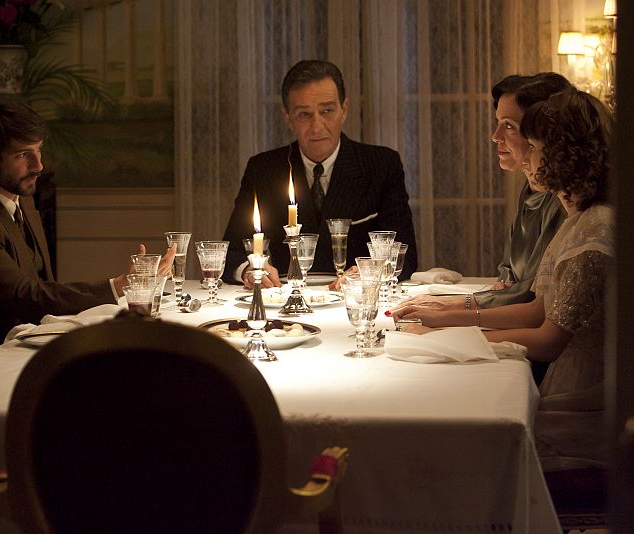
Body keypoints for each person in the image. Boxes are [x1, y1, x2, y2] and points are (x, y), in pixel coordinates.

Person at [393, 88, 614, 474]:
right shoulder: (578, 220)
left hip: (582, 405)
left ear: (564, 155)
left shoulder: (594, 231)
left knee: (462, 441)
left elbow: (548, 341)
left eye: (533, 147)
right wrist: (447, 317)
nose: (525, 157)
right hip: (567, 390)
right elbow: (537, 309)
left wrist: (460, 339)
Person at [0, 100, 175, 367]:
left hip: (32, 345)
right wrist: (119, 286)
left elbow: (40, 288)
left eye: (38, 150)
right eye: (22, 155)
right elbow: (24, 297)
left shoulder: (20, 196)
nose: (38, 165)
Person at [221, 60, 417, 288]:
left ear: (344, 109)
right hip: (286, 300)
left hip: (356, 299)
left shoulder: (381, 165)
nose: (317, 126)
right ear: (288, 117)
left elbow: (406, 256)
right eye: (304, 114)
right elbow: (232, 253)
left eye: (327, 111)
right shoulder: (264, 170)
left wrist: (369, 272)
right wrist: (250, 270)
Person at [395, 72, 571, 310]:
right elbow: (508, 270)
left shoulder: (561, 199)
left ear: (540, 132)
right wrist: (502, 288)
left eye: (508, 126)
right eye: (498, 123)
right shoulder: (530, 188)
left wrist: (456, 305)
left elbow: (532, 293)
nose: (495, 136)